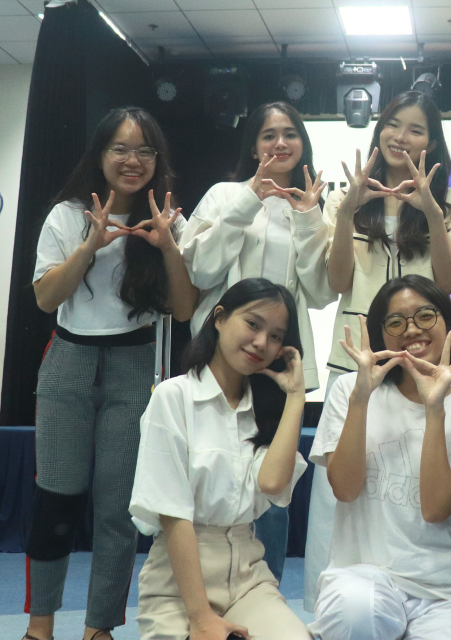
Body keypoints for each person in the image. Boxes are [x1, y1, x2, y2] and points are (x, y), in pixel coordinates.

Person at [25, 107, 196, 640]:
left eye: (144, 150)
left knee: (119, 510)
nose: (132, 160)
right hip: (68, 362)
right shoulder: (66, 215)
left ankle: (98, 628)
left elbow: (185, 310)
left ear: (157, 160)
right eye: (120, 148)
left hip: (135, 365)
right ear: (100, 155)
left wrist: (168, 246)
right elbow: (46, 298)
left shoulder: (169, 219)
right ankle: (40, 625)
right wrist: (90, 245)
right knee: (57, 496)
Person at [305, 91, 451, 609]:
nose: (401, 137)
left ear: (432, 142)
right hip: (357, 359)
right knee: (338, 486)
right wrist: (349, 210)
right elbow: (336, 282)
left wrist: (431, 213)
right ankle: (330, 603)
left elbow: (448, 283)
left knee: (413, 477)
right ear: (378, 130)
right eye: (393, 124)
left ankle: (417, 592)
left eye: (416, 129)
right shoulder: (346, 198)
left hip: (424, 362)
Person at [180, 101, 336, 584]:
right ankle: (202, 588)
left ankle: (264, 591)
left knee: (272, 485)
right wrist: (250, 198)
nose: (280, 143)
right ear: (253, 147)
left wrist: (308, 219)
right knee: (209, 470)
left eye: (290, 134)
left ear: (302, 144)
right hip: (219, 357)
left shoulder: (312, 206)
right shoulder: (224, 194)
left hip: (276, 361)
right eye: (269, 135)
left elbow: (322, 291)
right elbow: (200, 268)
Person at [308, 275, 451, 640]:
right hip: (363, 576)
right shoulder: (350, 390)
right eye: (395, 322)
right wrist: (361, 398)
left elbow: (435, 509)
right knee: (355, 616)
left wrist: (434, 409)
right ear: (381, 335)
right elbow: (345, 489)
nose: (412, 330)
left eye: (425, 316)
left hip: (446, 590)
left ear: (448, 323)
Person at [130, 278, 311, 640]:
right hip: (177, 586)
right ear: (219, 318)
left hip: (248, 579)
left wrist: (295, 397)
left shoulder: (266, 409)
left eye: (276, 336)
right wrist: (201, 618)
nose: (261, 342)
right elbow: (173, 516)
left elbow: (272, 484)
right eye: (253, 324)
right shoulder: (173, 397)